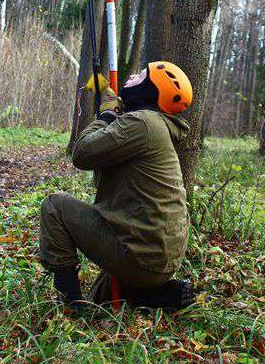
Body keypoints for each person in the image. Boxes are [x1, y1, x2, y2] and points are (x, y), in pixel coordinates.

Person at [39, 61, 195, 311]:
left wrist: (107, 116)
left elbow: (82, 154)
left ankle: (70, 307)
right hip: (157, 256)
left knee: (54, 207)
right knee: (102, 298)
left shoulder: (142, 123)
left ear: (151, 90)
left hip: (142, 257)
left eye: (141, 75)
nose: (133, 75)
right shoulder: (152, 124)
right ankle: (159, 295)